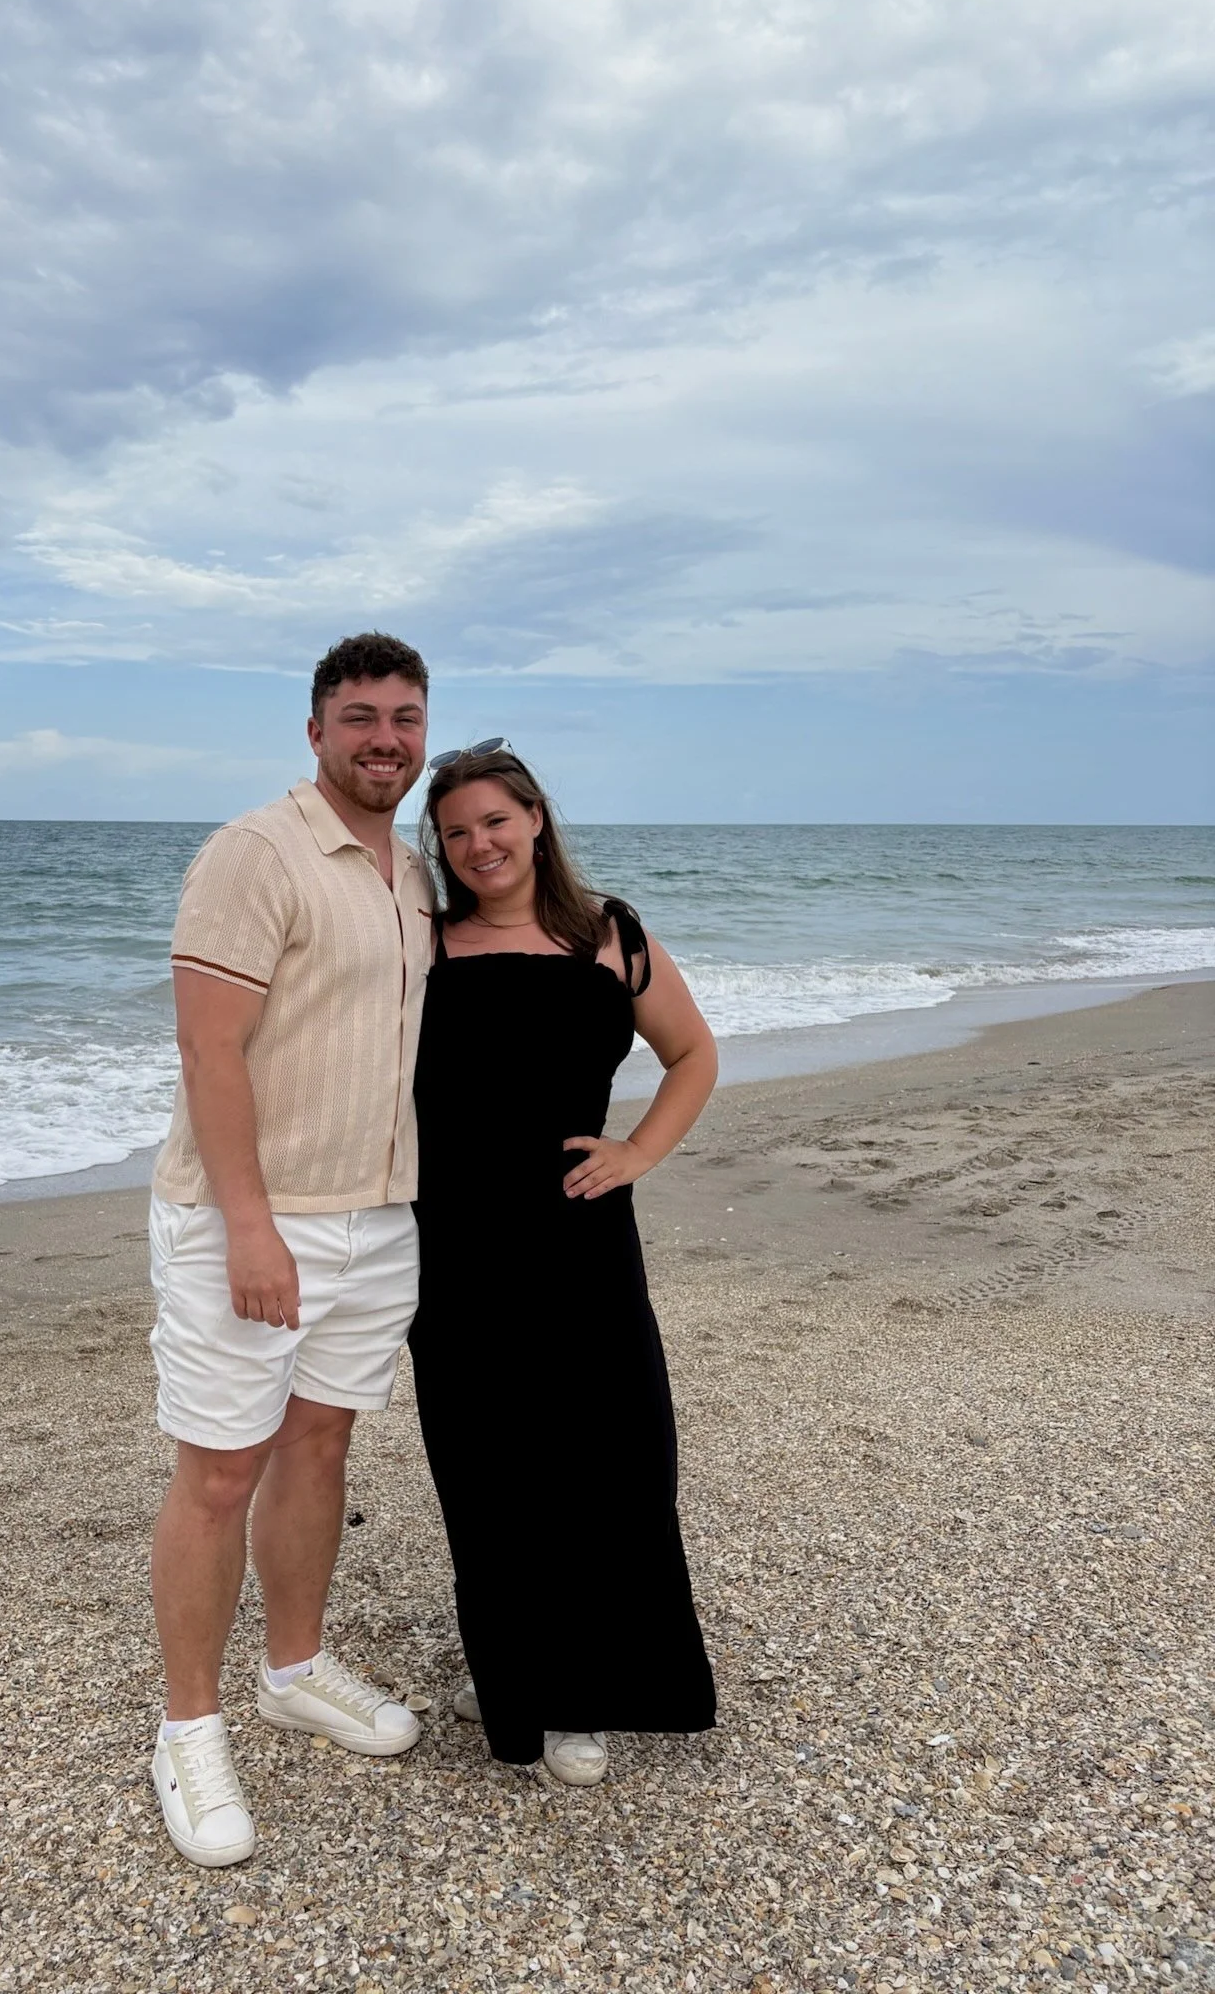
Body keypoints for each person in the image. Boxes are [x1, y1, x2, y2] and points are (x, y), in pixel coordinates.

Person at [146, 634, 435, 1867]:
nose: (386, 737)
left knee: (322, 1441)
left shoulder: (411, 874)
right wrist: (252, 1225)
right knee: (219, 1468)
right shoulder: (256, 852)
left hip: (380, 1215)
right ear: (314, 731)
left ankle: (296, 1667)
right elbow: (210, 1050)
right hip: (251, 1218)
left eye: (406, 716)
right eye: (361, 715)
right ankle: (187, 1731)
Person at [410, 742, 719, 1783]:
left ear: (536, 818)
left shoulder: (608, 935)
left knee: (610, 1455)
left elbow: (694, 1053)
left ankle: (584, 1690)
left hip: (581, 1240)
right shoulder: (425, 942)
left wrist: (636, 1150)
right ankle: (513, 1673)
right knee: (487, 1464)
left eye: (494, 819)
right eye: (455, 829)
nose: (478, 843)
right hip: (453, 1244)